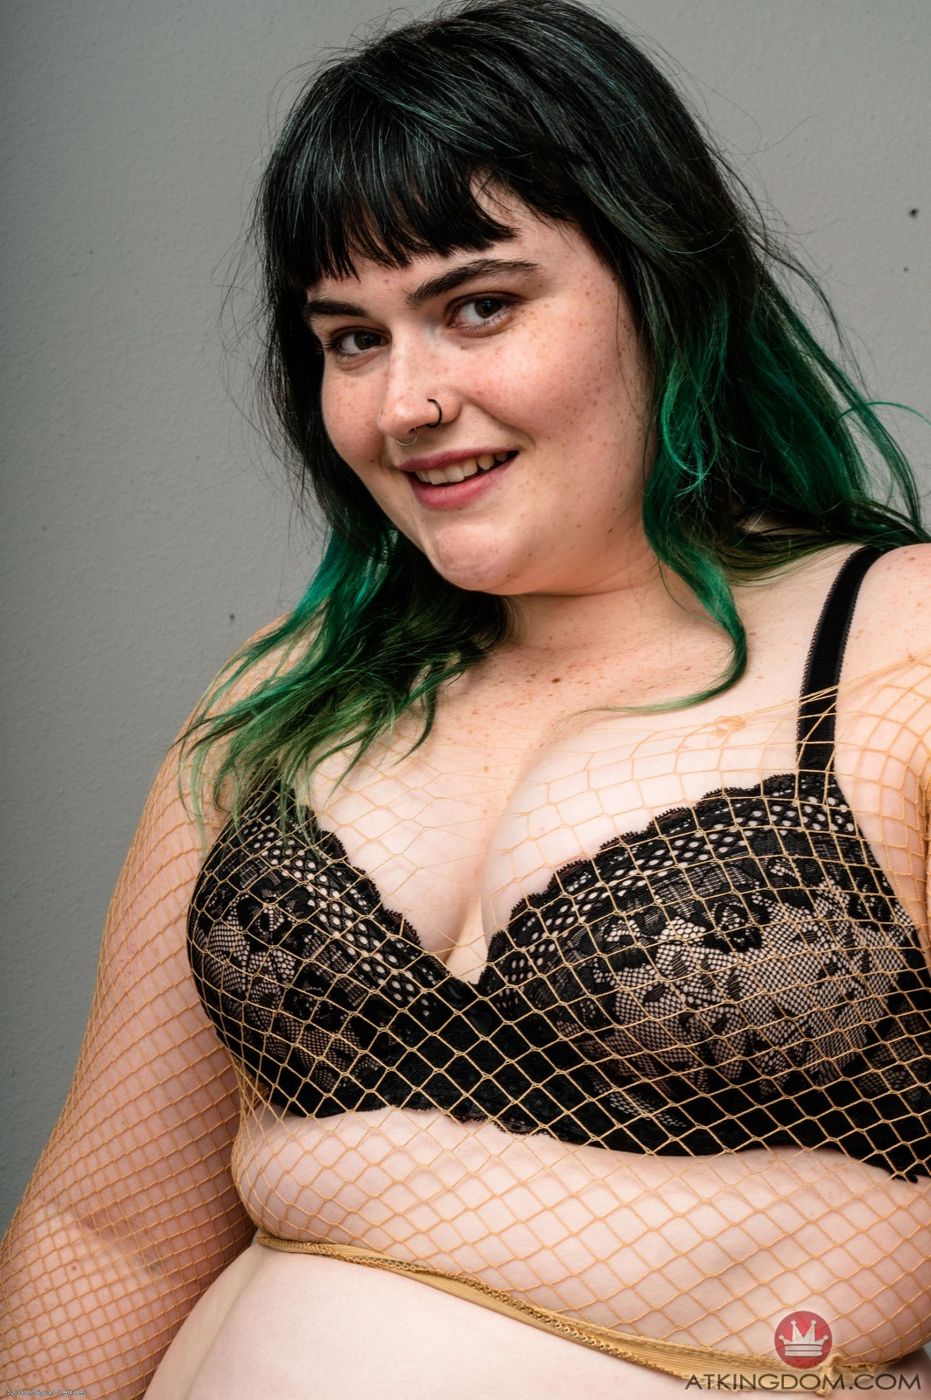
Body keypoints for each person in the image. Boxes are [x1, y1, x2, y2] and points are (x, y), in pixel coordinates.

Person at [2, 1, 930, 1395]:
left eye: (477, 306)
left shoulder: (900, 652)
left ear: (663, 286)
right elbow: (111, 1228)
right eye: (351, 339)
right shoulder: (282, 701)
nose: (406, 404)